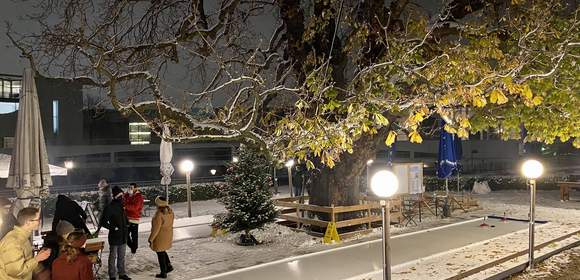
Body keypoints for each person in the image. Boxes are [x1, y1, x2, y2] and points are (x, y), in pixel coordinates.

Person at [0, 207, 51, 280]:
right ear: (28, 222)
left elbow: (26, 260)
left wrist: (39, 269)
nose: (39, 221)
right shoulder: (13, 242)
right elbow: (15, 271)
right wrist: (37, 259)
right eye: (37, 219)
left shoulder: (23, 237)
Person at [99, 186, 131, 280]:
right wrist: (114, 228)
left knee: (122, 256)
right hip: (115, 236)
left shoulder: (122, 206)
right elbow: (103, 222)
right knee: (113, 257)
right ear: (115, 195)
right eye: (120, 195)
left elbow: (124, 217)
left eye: (122, 195)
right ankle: (112, 275)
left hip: (123, 235)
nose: (122, 197)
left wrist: (127, 223)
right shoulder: (110, 207)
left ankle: (122, 273)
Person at [148, 196, 174, 279]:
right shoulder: (170, 211)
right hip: (168, 234)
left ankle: (163, 272)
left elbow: (156, 229)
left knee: (160, 253)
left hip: (160, 236)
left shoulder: (159, 214)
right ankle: (169, 266)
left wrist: (151, 239)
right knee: (163, 251)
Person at [123, 183, 144, 254]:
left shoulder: (139, 196)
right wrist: (128, 195)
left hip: (134, 218)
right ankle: (132, 246)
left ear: (135, 188)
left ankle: (134, 248)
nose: (130, 189)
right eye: (129, 187)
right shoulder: (126, 195)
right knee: (125, 234)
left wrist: (126, 207)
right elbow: (123, 202)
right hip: (126, 218)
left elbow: (135, 207)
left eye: (131, 187)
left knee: (134, 235)